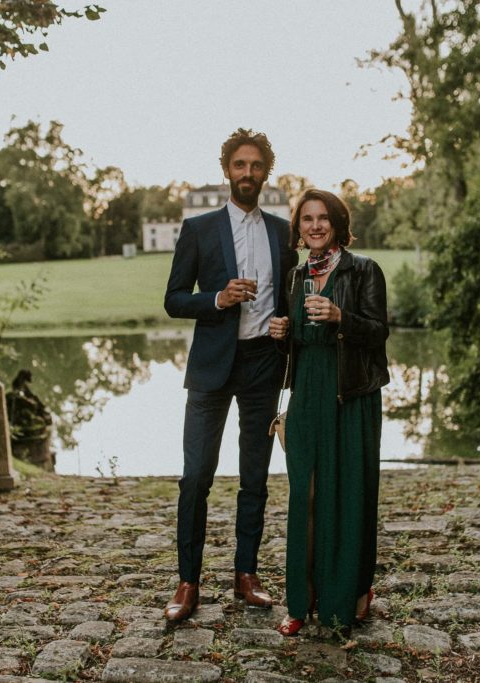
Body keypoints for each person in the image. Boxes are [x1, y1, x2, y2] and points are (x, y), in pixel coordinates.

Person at [163, 128, 299, 623]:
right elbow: (174, 298)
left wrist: (288, 324)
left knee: (255, 476)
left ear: (266, 172)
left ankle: (247, 575)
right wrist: (217, 298)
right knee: (195, 476)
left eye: (256, 166)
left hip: (263, 362)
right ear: (227, 171)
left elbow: (291, 300)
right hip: (211, 367)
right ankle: (188, 581)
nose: (248, 174)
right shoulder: (199, 229)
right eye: (240, 165)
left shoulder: (284, 233)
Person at [267, 188, 389, 635]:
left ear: (336, 223)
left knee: (350, 494)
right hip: (307, 398)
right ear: (298, 228)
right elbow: (297, 345)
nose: (315, 226)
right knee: (306, 497)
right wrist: (281, 333)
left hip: (350, 397)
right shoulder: (296, 277)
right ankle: (301, 601)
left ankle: (353, 593)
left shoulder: (364, 271)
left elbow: (379, 332)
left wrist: (342, 318)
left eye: (323, 218)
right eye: (306, 219)